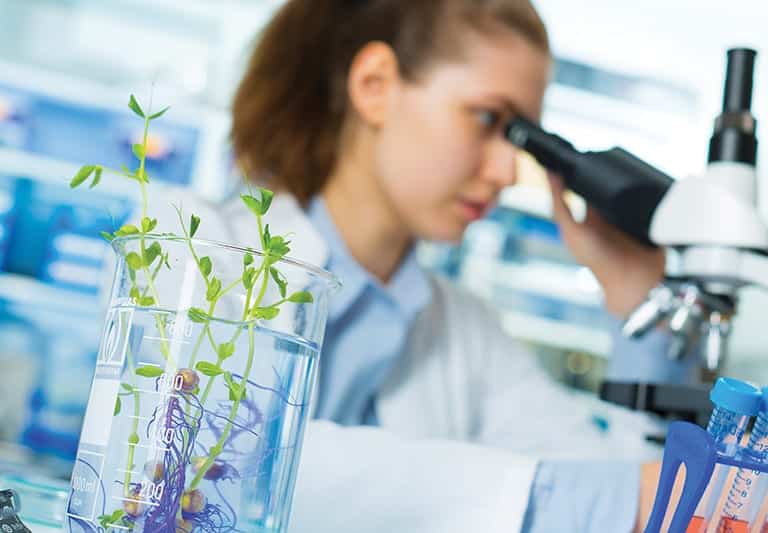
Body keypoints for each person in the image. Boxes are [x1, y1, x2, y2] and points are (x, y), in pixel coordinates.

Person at [158, 0, 690, 530]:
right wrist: (535, 498)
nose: (507, 170)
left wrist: (641, 307)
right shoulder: (194, 242)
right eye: (488, 119)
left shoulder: (466, 331)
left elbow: (618, 489)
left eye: (520, 139)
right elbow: (220, 465)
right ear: (375, 86)